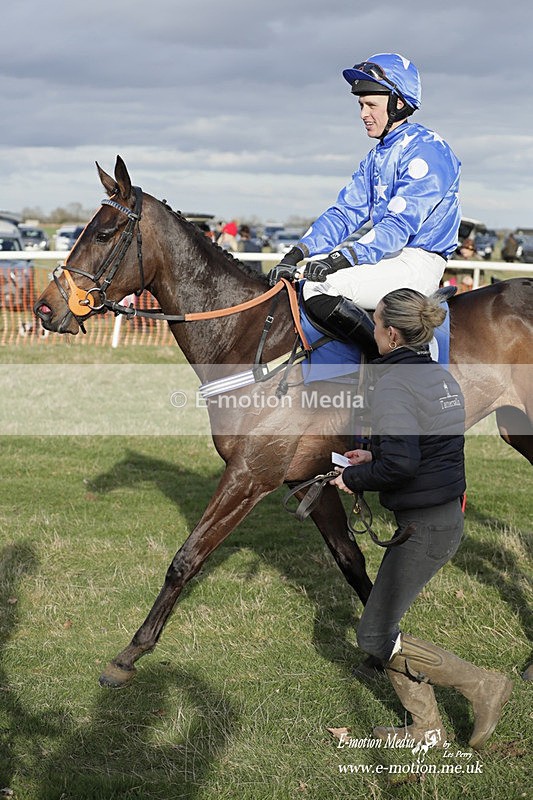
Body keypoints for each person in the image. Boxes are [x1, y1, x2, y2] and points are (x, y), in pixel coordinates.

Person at [330, 287, 512, 749]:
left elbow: (403, 466)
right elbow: (421, 447)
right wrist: (370, 453)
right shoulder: (438, 376)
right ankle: (427, 728)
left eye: (374, 324)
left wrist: (356, 478)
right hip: (441, 518)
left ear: (391, 334)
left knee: (374, 634)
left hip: (426, 526)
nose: (372, 331)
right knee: (380, 627)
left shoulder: (392, 382)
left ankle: (483, 686)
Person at [267, 53, 461, 359]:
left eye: (371, 104)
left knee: (320, 288)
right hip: (387, 258)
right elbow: (344, 213)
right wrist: (298, 252)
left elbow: (397, 226)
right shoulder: (377, 156)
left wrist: (340, 258)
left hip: (416, 262)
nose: (363, 113)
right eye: (360, 105)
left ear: (398, 103)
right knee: (304, 281)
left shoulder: (428, 150)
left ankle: (391, 363)